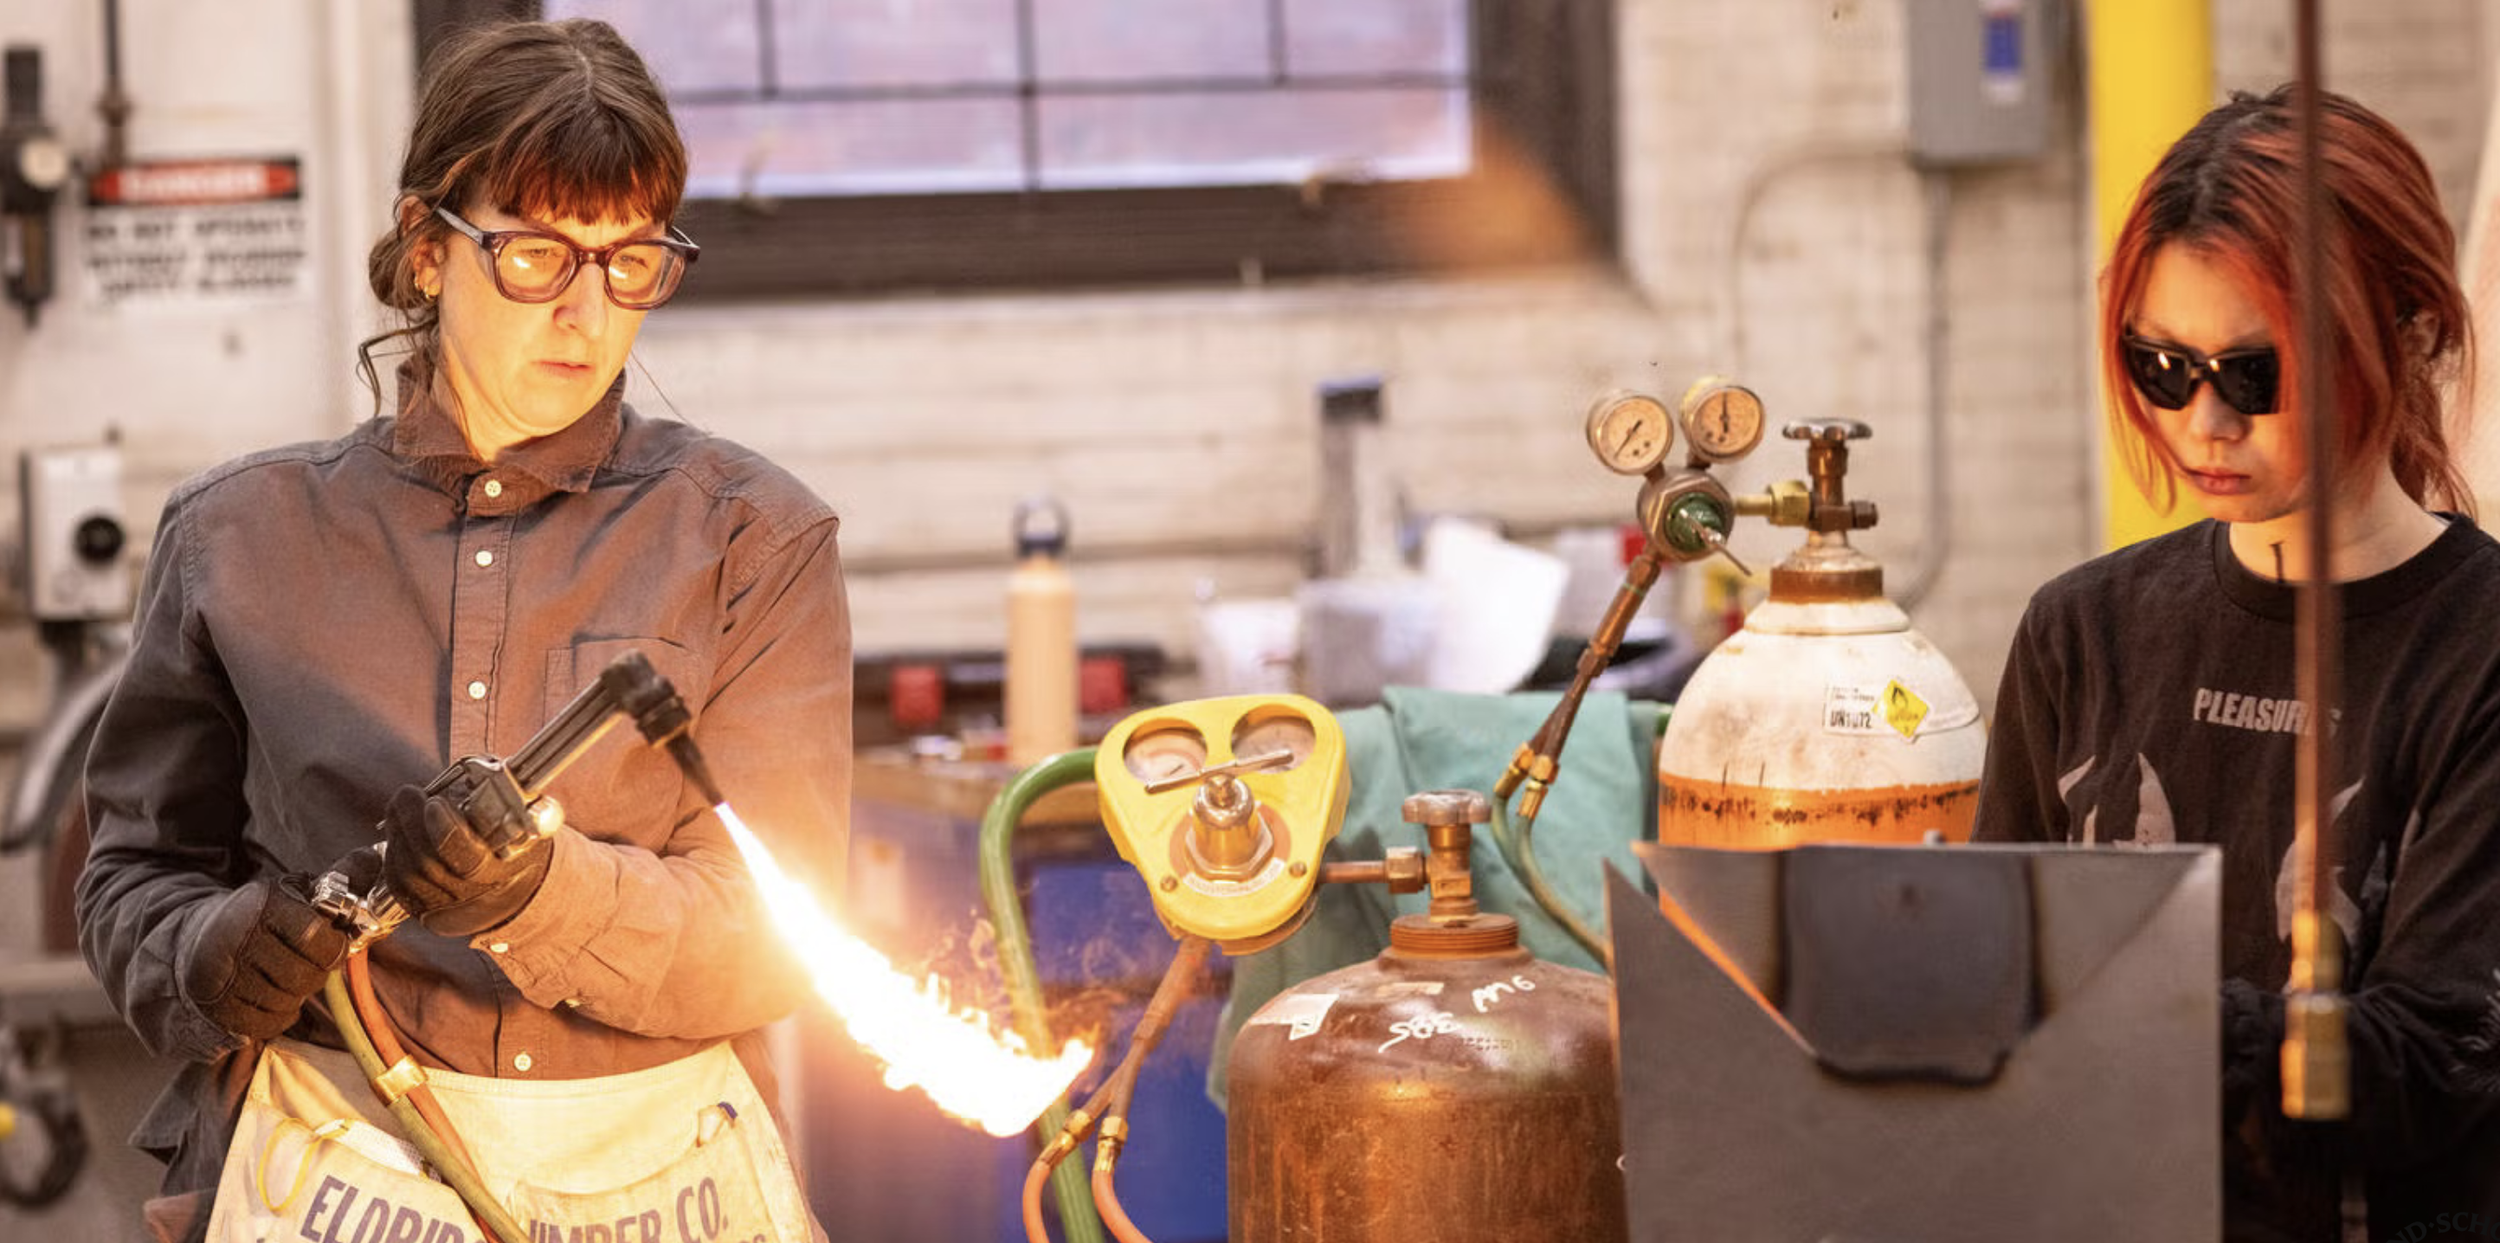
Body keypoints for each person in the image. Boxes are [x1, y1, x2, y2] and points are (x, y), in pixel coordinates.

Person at [74, 19, 849, 1243]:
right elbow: (132, 874)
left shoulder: (751, 540)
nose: (587, 313)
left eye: (632, 261)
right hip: (327, 1158)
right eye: (538, 255)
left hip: (657, 1172)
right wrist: (210, 952)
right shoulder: (239, 536)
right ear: (428, 248)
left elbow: (779, 943)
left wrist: (543, 892)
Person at [1974, 86, 2500, 1240]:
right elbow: (1993, 990)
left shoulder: (2480, 648)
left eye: (2255, 375)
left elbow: (2431, 1059)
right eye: (2162, 367)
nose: (2203, 423)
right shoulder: (2078, 630)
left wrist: (2118, 1003)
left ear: (2412, 332)